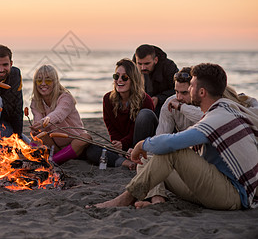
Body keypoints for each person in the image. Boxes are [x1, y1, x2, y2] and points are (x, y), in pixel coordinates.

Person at [91, 63, 258, 210]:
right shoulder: (222, 108)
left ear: (201, 92)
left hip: (232, 195)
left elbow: (174, 143)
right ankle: (157, 201)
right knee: (147, 159)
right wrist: (147, 148)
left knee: (172, 150)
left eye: (190, 86)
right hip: (210, 186)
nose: (181, 93)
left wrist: (141, 144)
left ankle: (126, 198)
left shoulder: (218, 117)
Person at [135, 67, 204, 208]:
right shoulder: (170, 103)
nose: (178, 97)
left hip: (203, 167)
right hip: (180, 163)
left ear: (195, 90)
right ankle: (157, 199)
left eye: (184, 93)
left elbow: (203, 117)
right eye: (176, 92)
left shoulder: (206, 104)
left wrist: (181, 107)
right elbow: (160, 138)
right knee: (144, 160)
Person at [86, 58, 158, 169]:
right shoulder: (108, 99)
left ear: (133, 80)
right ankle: (126, 162)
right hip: (123, 146)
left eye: (124, 77)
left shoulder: (145, 100)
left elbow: (139, 129)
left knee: (145, 114)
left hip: (140, 143)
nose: (119, 80)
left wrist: (125, 144)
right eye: (116, 76)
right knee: (90, 149)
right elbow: (110, 126)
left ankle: (135, 154)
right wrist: (118, 145)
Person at [29, 65, 91, 164]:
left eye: (48, 80)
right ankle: (31, 159)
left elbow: (59, 114)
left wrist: (43, 122)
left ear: (55, 82)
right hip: (55, 145)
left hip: (74, 143)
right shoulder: (35, 101)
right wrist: (36, 128)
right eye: (39, 81)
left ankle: (53, 161)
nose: (43, 84)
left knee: (86, 137)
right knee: (38, 136)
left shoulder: (65, 97)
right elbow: (38, 120)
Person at [132, 44, 178, 117]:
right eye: (139, 64)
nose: (143, 68)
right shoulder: (133, 66)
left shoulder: (169, 66)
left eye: (147, 63)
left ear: (155, 60)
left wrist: (159, 98)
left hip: (165, 104)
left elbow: (178, 90)